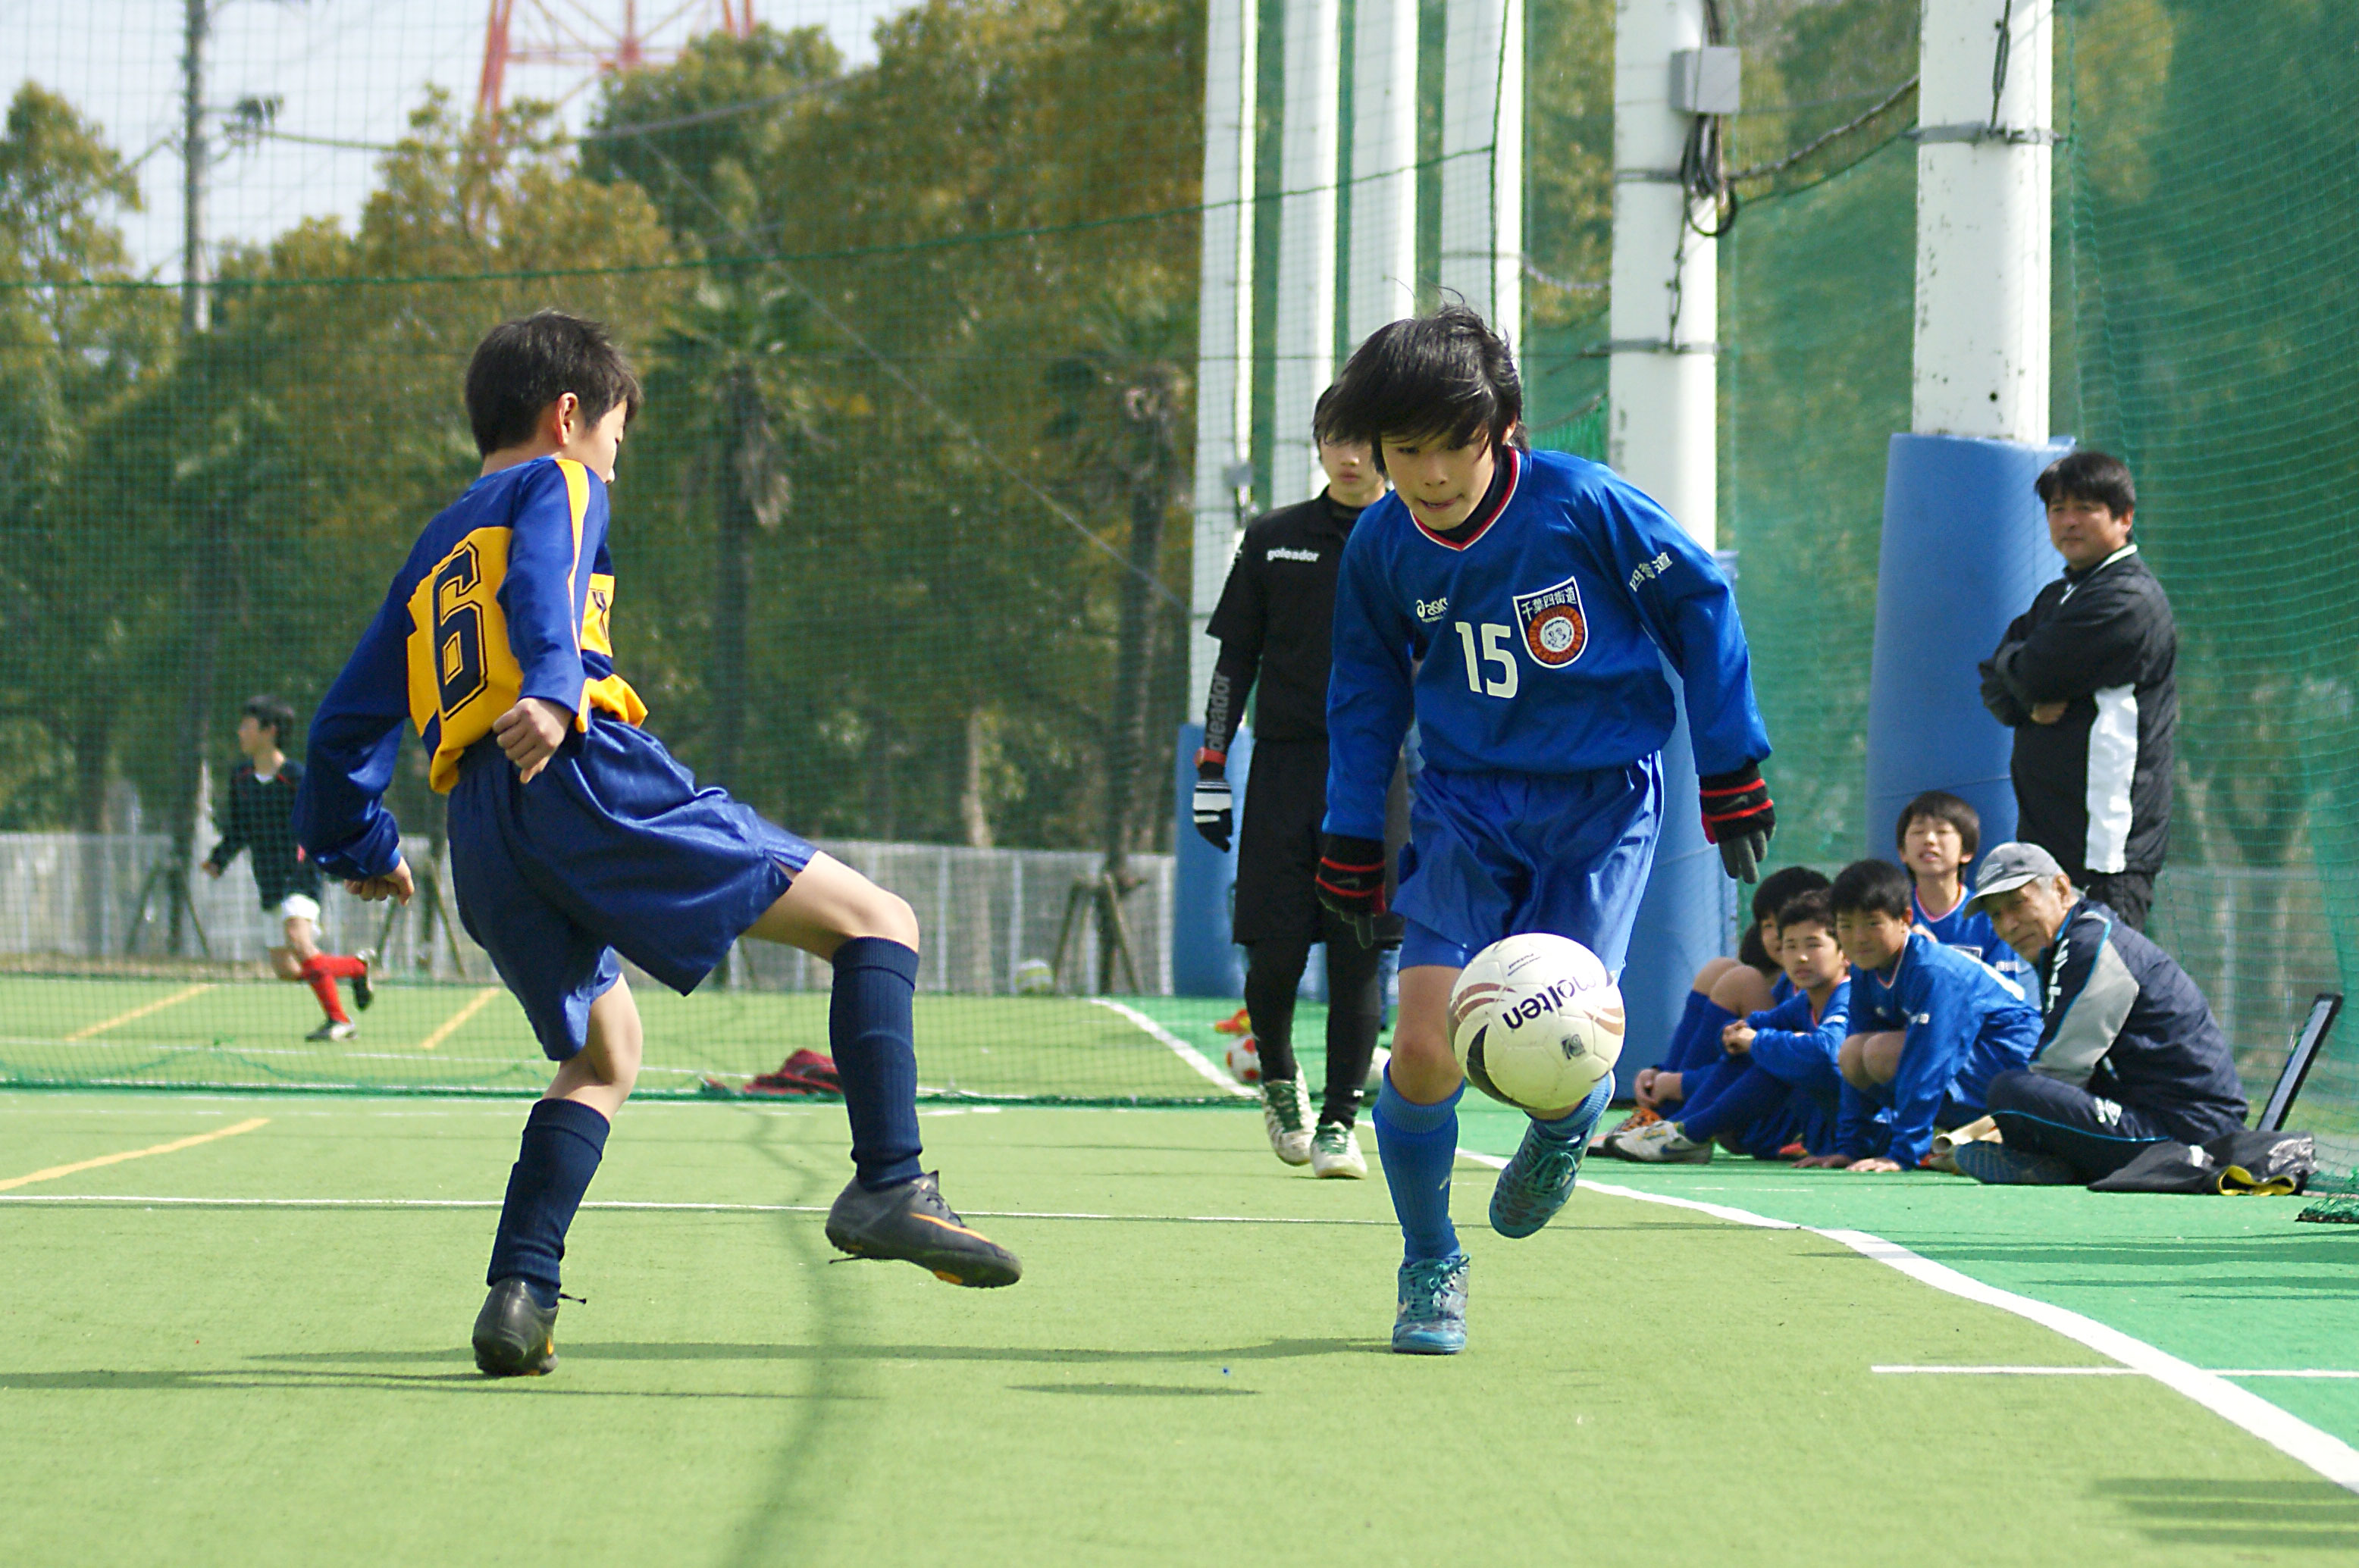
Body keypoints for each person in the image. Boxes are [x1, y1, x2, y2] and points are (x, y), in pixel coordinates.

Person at [295, 311, 1020, 1378]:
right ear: (569, 414)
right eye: (618, 437)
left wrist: (357, 841)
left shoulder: (434, 543)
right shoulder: (561, 480)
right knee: (881, 921)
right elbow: (547, 583)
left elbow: (343, 723)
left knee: (601, 1053)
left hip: (481, 831)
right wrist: (550, 687)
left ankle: (522, 1291)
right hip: (579, 774)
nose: (614, 461)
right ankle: (889, 1182)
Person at [1313, 305, 1774, 1353]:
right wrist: (1349, 829)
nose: (1432, 474)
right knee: (1424, 1049)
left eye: (1454, 446)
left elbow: (1701, 606)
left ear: (1502, 428)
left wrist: (1733, 767)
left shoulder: (1582, 504)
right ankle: (1431, 1262)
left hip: (1601, 806)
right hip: (1465, 807)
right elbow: (1365, 689)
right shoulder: (1384, 546)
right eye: (1406, 451)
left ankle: (1566, 1122)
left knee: (1569, 1052)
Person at [1195, 388, 1398, 1178]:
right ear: (1315, 446)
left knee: (1358, 954)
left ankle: (1343, 1120)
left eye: (1362, 440)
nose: (1348, 456)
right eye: (1332, 439)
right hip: (1281, 767)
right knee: (1274, 954)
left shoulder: (1415, 535)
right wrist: (1212, 771)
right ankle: (1280, 1080)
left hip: (1378, 774)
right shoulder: (1272, 538)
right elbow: (1232, 663)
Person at [1953, 842, 2248, 1184]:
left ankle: (2051, 1162)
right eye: (1996, 915)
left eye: (2018, 904)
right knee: (2013, 1094)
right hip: (2166, 1114)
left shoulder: (2089, 946)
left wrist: (1996, 1127)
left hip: (2190, 1130)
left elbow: (2056, 1071)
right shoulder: (2076, 938)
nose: (2009, 926)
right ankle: (2055, 1161)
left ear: (2062, 889)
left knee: (2010, 1092)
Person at [1978, 451, 2176, 930]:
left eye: (2085, 508)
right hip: (2050, 845)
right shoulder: (2058, 596)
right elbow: (1994, 680)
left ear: (2124, 518)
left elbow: (2034, 674)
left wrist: (2020, 676)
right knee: (2058, 996)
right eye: (2056, 509)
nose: (2068, 521)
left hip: (2105, 856)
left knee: (2104, 995)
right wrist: (2023, 697)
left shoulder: (2127, 599)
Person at [1828, 858, 2041, 1173]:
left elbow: (1929, 1063)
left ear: (1905, 919)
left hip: (2016, 1069)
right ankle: (1946, 1134)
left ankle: (1991, 1129)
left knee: (1880, 1053)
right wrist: (1850, 1149)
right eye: (1846, 925)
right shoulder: (1865, 971)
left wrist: (1901, 1156)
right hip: (1971, 1063)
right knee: (1852, 1053)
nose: (1859, 937)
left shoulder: (1933, 972)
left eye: (1873, 924)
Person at [1613, 887, 1850, 1163]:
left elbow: (1824, 1053)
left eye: (1813, 944)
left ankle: (1687, 1131)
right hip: (1803, 1129)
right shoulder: (1802, 1000)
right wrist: (1735, 1034)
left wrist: (1756, 1042)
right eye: (1791, 945)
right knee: (1762, 1043)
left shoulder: (1849, 995)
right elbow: (1760, 1026)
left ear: (1845, 952)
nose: (1802, 956)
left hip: (1835, 1135)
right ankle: (1677, 1127)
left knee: (1776, 1050)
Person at [201, 695, 374, 1041]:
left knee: (299, 939)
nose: (240, 732)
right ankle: (355, 968)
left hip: (300, 876)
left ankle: (340, 1021)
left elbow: (324, 822)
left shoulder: (296, 777)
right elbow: (239, 829)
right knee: (285, 969)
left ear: (269, 731)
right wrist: (219, 859)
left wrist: (341, 863)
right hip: (268, 880)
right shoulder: (241, 778)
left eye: (247, 726)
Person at [1894, 790, 2034, 994]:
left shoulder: (1989, 917)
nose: (1930, 840)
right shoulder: (1891, 917)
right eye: (1918, 832)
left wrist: (1941, 959)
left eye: (1942, 832)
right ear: (1902, 853)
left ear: (1966, 851)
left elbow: (2004, 995)